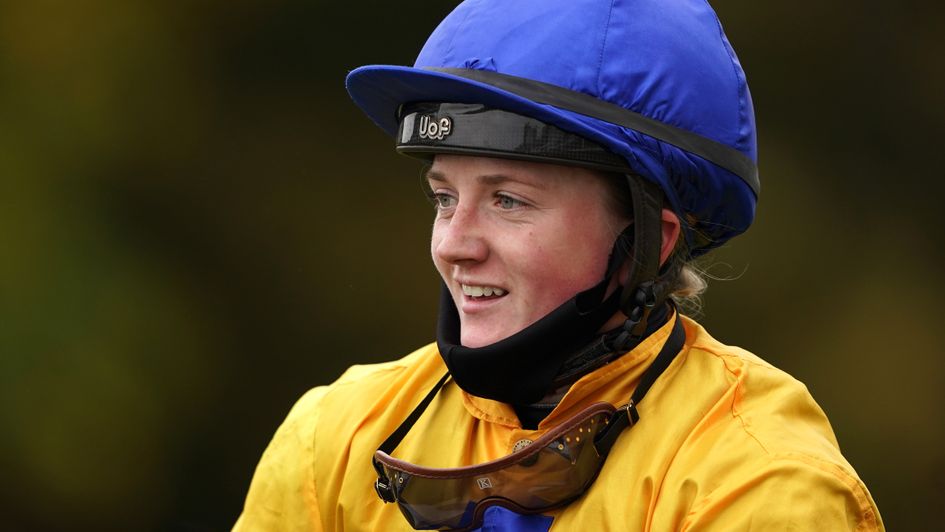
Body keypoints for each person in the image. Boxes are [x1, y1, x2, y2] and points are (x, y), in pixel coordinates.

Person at [234, 0, 883, 530]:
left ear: (649, 243)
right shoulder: (335, 438)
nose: (454, 244)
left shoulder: (759, 485)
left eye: (508, 200)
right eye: (443, 198)